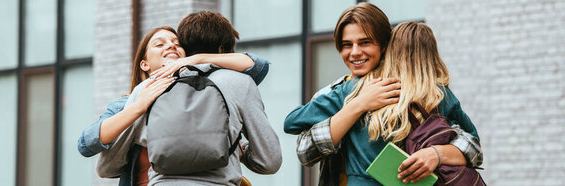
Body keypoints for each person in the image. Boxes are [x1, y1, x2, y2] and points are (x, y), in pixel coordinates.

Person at [284, 3, 483, 186]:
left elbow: (474, 148)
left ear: (385, 45)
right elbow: (304, 150)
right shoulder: (342, 90)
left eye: (365, 42)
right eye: (347, 44)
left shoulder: (430, 91)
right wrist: (358, 105)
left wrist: (436, 154)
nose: (355, 52)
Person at [96, 11, 282, 186]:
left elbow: (106, 167)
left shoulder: (148, 87)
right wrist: (238, 148)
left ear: (184, 46)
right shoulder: (240, 82)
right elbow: (269, 161)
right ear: (223, 49)